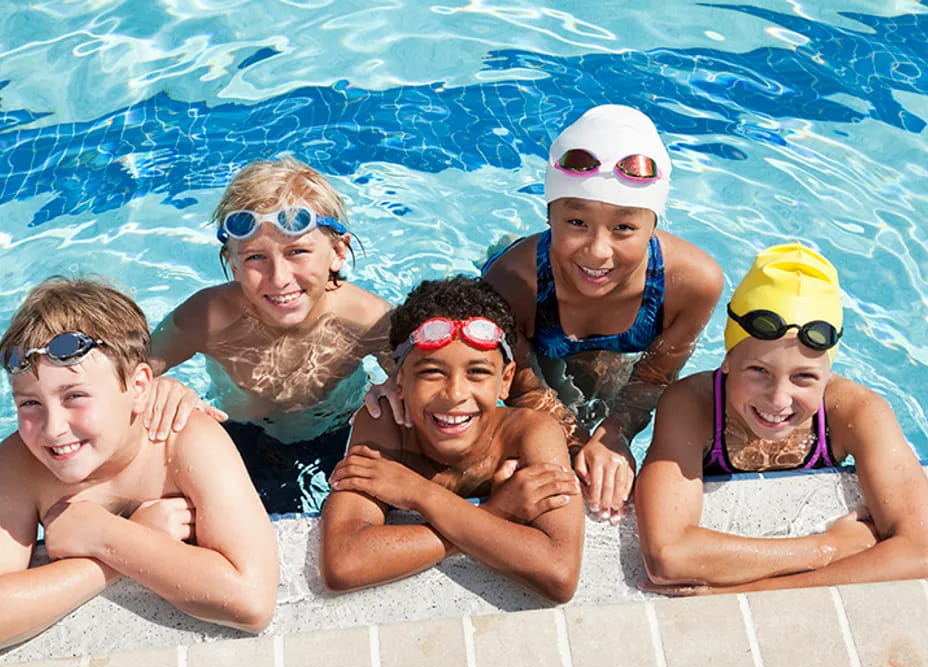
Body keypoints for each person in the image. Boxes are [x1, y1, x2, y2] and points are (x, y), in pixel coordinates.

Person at [635, 243, 928, 594]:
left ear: (828, 372)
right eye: (758, 370)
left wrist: (740, 593)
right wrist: (826, 548)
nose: (778, 400)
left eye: (804, 377)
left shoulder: (856, 411)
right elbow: (668, 556)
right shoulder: (692, 405)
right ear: (727, 361)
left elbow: (920, 550)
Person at [0, 277, 278, 647]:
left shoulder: (182, 440)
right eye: (29, 404)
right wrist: (113, 553)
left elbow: (252, 600)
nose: (52, 429)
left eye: (75, 396)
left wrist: (103, 534)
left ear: (140, 388)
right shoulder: (21, 462)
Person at [478, 104, 723, 525]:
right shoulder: (511, 280)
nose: (597, 250)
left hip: (608, 343)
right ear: (550, 214)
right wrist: (578, 444)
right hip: (540, 326)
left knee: (605, 383)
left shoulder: (694, 282)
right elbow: (521, 384)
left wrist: (615, 435)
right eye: (576, 221)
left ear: (653, 225)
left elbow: (655, 376)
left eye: (624, 228)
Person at [149, 156, 393, 513]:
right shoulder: (207, 317)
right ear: (232, 264)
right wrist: (158, 387)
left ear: (337, 252)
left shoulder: (369, 320)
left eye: (297, 252)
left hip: (340, 432)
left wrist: (400, 385)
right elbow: (125, 373)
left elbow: (431, 376)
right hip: (243, 436)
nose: (278, 278)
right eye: (254, 258)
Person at [321, 276, 584, 603]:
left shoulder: (531, 432)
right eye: (432, 372)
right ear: (400, 381)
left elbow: (559, 574)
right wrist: (498, 512)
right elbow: (344, 563)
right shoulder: (383, 424)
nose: (455, 394)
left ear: (506, 381)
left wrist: (418, 492)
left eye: (477, 372)